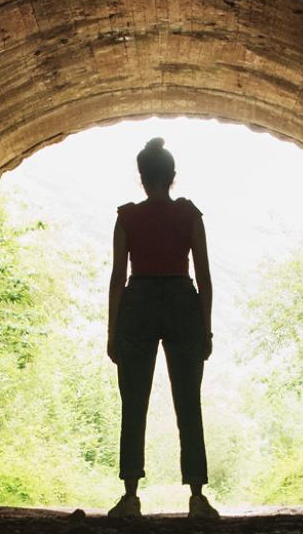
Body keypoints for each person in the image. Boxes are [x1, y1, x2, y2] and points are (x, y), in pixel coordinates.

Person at [106, 137, 219, 520]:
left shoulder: (127, 217)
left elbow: (117, 277)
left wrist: (112, 332)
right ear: (172, 176)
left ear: (142, 178)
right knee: (188, 401)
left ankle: (130, 496)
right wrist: (206, 329)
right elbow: (204, 276)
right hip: (182, 302)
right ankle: (197, 497)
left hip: (137, 302)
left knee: (133, 401)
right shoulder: (189, 215)